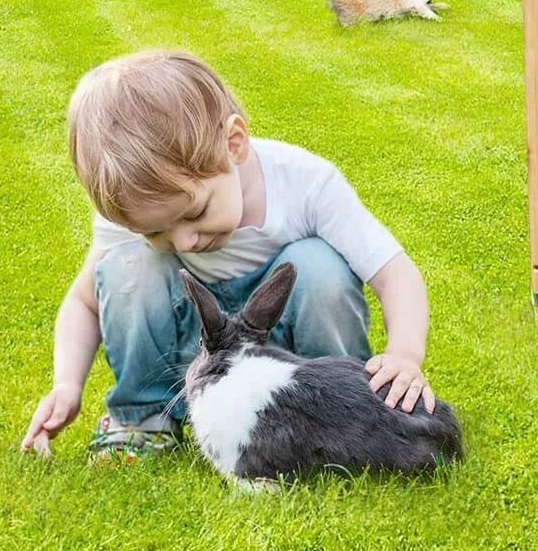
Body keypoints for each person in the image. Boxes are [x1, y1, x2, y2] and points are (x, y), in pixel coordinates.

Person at [21, 49, 438, 460]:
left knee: (318, 265)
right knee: (127, 267)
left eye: (196, 213)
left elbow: (394, 273)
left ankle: (329, 418)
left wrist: (403, 354)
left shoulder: (306, 184)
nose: (182, 242)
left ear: (234, 145)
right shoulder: (137, 204)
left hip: (295, 374)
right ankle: (143, 421)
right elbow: (83, 302)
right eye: (154, 231)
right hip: (197, 366)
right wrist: (67, 386)